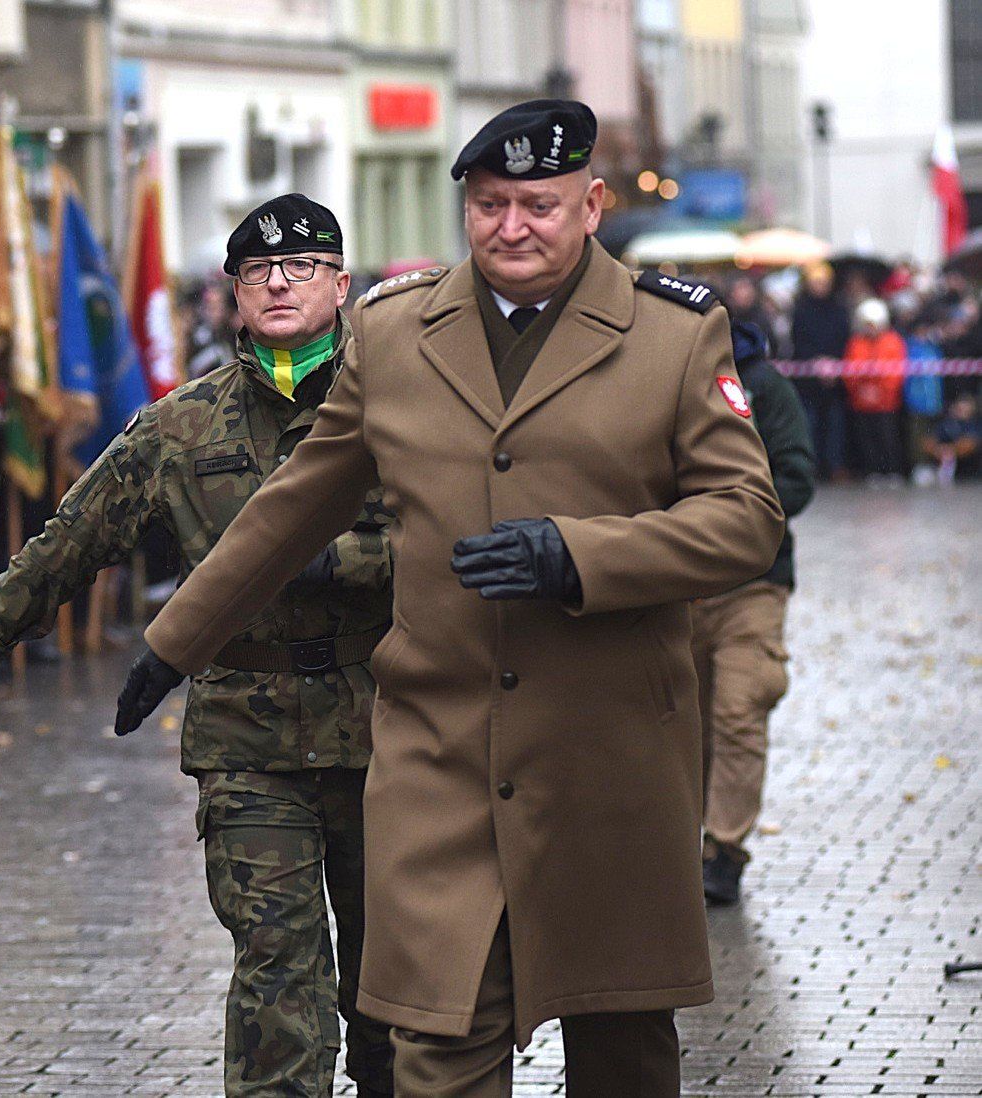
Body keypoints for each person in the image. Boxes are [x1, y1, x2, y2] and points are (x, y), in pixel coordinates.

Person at [112, 100, 784, 1096]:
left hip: (611, 760)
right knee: (437, 1045)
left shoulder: (673, 338)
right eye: (490, 203)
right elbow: (292, 507)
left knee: (624, 1051)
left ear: (591, 205)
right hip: (441, 759)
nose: (511, 226)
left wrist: (582, 557)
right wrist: (176, 642)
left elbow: (747, 518)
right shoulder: (393, 335)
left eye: (538, 205)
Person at [0, 195, 396, 1097]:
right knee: (279, 978)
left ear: (341, 284)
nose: (279, 283)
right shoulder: (183, 425)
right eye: (257, 272)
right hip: (248, 743)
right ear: (233, 297)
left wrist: (348, 559)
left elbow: (452, 537)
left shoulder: (402, 407)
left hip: (389, 735)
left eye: (301, 267)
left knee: (392, 992)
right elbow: (66, 544)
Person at [694, 320, 815, 906]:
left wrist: (735, 512)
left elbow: (797, 477)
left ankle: (725, 849)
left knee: (738, 710)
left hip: (753, 584)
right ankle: (678, 840)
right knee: (680, 722)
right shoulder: (664, 380)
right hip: (677, 584)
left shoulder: (765, 388)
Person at [789, 264, 852, 480]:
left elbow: (844, 339)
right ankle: (812, 467)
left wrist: (834, 364)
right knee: (810, 424)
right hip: (809, 379)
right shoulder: (801, 310)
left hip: (834, 381)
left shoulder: (838, 309)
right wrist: (815, 362)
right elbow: (799, 341)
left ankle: (834, 466)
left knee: (835, 425)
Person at [843, 298, 906, 484]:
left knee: (888, 437)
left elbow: (896, 372)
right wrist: (861, 390)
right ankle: (873, 470)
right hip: (862, 401)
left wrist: (881, 391)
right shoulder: (856, 343)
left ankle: (893, 470)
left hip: (886, 402)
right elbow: (850, 369)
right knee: (867, 439)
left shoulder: (893, 342)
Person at [925, 393, 981, 484]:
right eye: (960, 408)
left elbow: (971, 443)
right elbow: (929, 441)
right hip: (945, 468)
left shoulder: (975, 423)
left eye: (966, 408)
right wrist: (939, 450)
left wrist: (952, 450)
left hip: (970, 473)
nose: (963, 410)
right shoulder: (947, 423)